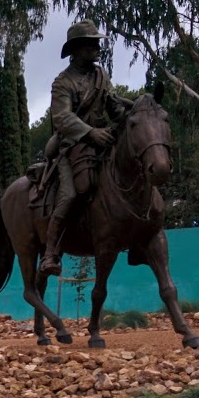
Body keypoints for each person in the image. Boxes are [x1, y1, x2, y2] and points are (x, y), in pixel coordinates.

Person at [40, 20, 130, 276]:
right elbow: (62, 118)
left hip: (104, 142)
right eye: (92, 44)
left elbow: (113, 107)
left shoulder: (101, 75)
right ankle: (50, 253)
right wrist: (90, 132)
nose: (97, 47)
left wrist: (128, 114)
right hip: (72, 147)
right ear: (78, 49)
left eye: (97, 43)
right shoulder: (63, 83)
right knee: (70, 193)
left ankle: (138, 239)